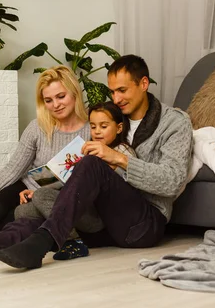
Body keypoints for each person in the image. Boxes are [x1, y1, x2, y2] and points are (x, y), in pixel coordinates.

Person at [0, 54, 193, 270]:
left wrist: (116, 159)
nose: (116, 97)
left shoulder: (173, 123)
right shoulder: (109, 120)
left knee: (90, 163)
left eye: (122, 90)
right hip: (104, 222)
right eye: (112, 90)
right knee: (28, 223)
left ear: (144, 84)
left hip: (144, 223)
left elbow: (172, 182)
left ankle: (43, 241)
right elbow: (44, 172)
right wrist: (34, 190)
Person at [0, 65, 90, 232]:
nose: (56, 105)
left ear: (74, 92)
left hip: (51, 197)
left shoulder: (93, 130)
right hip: (25, 187)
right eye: (48, 100)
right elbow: (12, 169)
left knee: (14, 222)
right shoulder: (37, 127)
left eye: (61, 96)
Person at [15, 101, 136, 261]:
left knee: (42, 196)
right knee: (22, 211)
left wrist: (110, 164)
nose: (97, 132)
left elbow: (126, 187)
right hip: (80, 206)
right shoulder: (91, 149)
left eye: (104, 126)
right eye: (93, 127)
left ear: (119, 128)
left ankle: (72, 241)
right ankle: (49, 236)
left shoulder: (122, 152)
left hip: (100, 216)